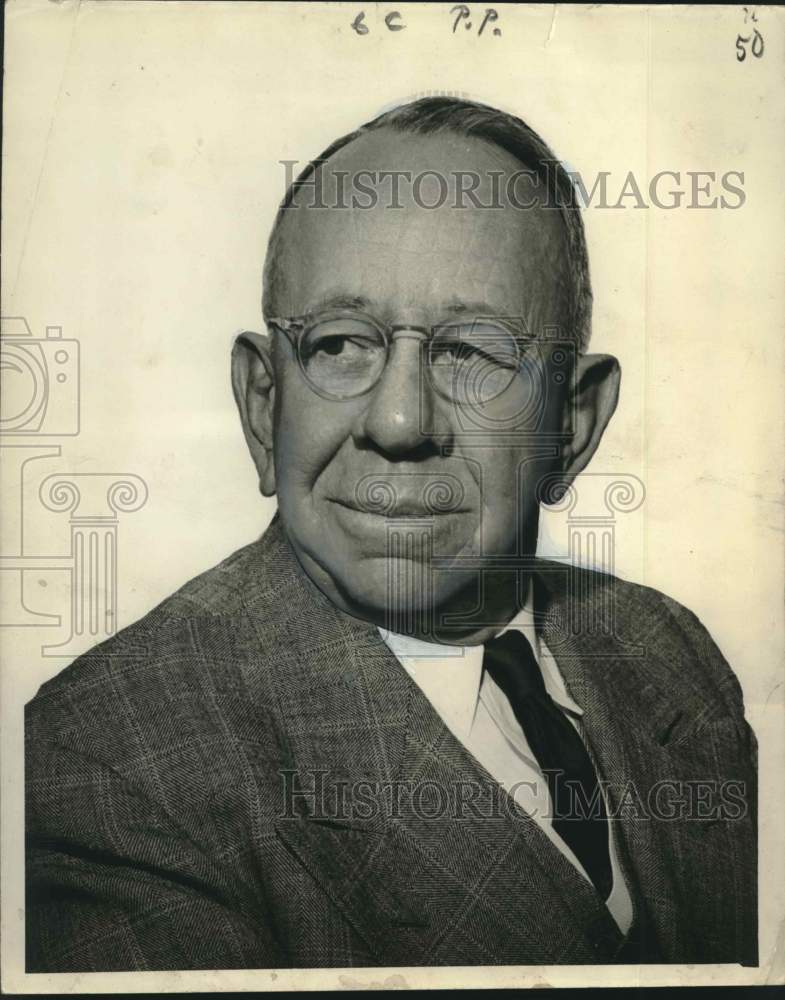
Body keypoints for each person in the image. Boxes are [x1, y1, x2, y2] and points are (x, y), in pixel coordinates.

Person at [25, 97, 757, 971]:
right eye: (340, 344)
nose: (400, 421)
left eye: (470, 351)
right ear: (264, 406)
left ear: (571, 422)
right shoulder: (109, 763)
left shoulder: (662, 646)